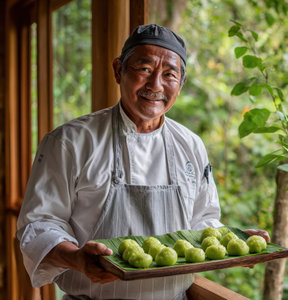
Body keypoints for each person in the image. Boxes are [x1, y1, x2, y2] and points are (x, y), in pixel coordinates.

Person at [16, 24, 269, 300]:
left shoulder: (191, 145)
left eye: (169, 74)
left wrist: (234, 239)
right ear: (118, 70)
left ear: (181, 84)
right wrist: (77, 258)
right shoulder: (70, 142)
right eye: (144, 69)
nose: (156, 85)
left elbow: (202, 219)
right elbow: (39, 224)